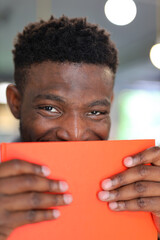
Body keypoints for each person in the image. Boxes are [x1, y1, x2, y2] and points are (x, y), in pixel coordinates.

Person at [1, 15, 160, 239]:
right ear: (16, 102)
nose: (75, 134)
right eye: (50, 108)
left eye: (95, 112)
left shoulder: (141, 193)